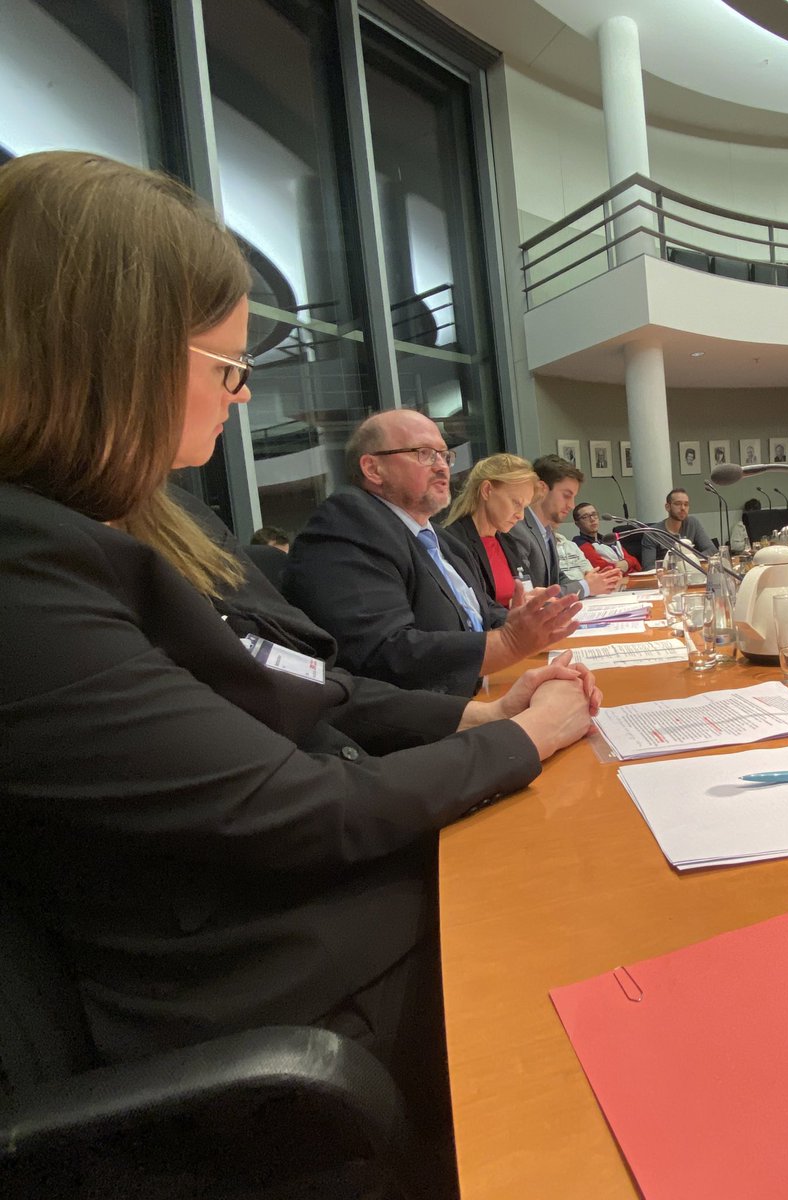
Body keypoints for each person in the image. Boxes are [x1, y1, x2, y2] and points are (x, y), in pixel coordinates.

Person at [0, 151, 600, 1186]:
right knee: (596, 937)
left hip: (321, 909)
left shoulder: (143, 522)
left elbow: (302, 684)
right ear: (120, 355)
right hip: (270, 992)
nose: (240, 397)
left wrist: (473, 719)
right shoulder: (24, 571)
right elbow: (287, 808)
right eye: (228, 369)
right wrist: (521, 740)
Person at [284, 410, 581, 697]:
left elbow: (483, 613)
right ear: (373, 469)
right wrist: (509, 642)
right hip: (425, 716)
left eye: (444, 455)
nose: (442, 467)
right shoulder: (348, 525)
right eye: (424, 454)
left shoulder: (440, 539)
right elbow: (383, 654)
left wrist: (525, 620)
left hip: (481, 690)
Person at [513, 454, 620, 597]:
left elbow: (557, 579)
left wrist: (597, 583)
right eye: (566, 495)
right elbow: (531, 595)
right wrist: (586, 587)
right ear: (542, 489)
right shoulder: (518, 530)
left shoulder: (546, 531)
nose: (571, 505)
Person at [443, 452, 537, 606]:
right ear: (487, 490)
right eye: (516, 503)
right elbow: (475, 608)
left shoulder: (509, 542)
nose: (520, 516)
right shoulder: (453, 543)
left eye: (524, 507)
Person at [639, 487, 718, 570]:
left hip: (690, 573)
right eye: (678, 504)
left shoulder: (693, 523)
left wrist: (689, 562)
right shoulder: (652, 533)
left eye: (686, 504)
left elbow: (712, 550)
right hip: (666, 576)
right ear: (667, 507)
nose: (683, 508)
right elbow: (648, 567)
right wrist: (676, 564)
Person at [573, 502, 641, 574]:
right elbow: (603, 569)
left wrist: (627, 563)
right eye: (585, 517)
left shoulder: (608, 539)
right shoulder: (580, 543)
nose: (592, 519)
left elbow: (635, 562)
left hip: (633, 577)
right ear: (577, 524)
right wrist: (627, 565)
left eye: (594, 514)